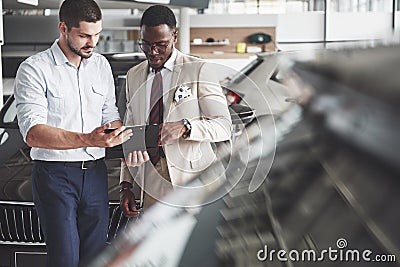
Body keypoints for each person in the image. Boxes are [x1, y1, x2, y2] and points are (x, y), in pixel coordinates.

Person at [14, 0, 147, 266]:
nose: (92, 42)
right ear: (63, 28)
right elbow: (33, 133)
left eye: (97, 34)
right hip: (55, 176)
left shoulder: (100, 66)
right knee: (65, 258)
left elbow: (109, 113)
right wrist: (89, 138)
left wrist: (123, 138)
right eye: (84, 35)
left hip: (96, 175)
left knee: (96, 258)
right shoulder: (34, 69)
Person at [119, 5, 232, 215]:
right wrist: (126, 185)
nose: (153, 52)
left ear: (175, 37)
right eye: (146, 44)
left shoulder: (198, 69)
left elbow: (224, 126)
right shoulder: (133, 76)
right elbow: (130, 134)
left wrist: (186, 127)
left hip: (195, 181)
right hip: (151, 182)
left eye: (161, 45)